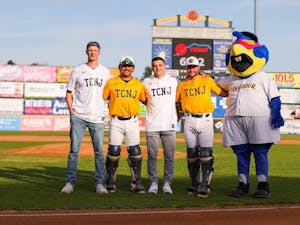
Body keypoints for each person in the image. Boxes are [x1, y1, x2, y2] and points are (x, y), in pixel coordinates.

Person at [218, 31, 284, 198]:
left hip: (259, 120)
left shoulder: (262, 77)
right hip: (235, 120)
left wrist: (276, 114)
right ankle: (243, 183)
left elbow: (274, 97)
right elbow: (216, 85)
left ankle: (263, 184)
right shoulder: (231, 79)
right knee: (241, 153)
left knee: (260, 151)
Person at [61, 41, 110, 194]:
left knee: (99, 153)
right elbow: (69, 93)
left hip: (97, 118)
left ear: (99, 52)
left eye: (95, 50)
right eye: (90, 50)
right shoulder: (78, 70)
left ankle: (100, 184)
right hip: (79, 116)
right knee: (74, 151)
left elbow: (110, 94)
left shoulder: (105, 72)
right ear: (86, 52)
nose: (93, 53)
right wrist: (71, 112)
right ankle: (69, 183)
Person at [176, 56, 228, 198]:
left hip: (205, 119)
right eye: (189, 67)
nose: (191, 69)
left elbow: (223, 92)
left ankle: (205, 185)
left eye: (194, 66)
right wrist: (177, 116)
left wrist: (213, 77)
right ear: (186, 69)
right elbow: (176, 102)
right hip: (189, 119)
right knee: (192, 154)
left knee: (205, 154)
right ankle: (194, 184)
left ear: (199, 68)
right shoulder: (182, 84)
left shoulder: (207, 80)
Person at [103, 56, 149, 194]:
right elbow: (103, 97)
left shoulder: (139, 84)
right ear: (119, 67)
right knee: (113, 152)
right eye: (124, 66)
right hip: (116, 121)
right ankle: (110, 182)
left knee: (135, 152)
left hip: (133, 121)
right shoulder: (111, 83)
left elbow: (147, 100)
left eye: (129, 66)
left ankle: (137, 183)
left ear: (133, 68)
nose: (127, 68)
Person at [143, 57, 178, 194]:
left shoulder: (173, 81)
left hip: (169, 125)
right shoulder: (146, 82)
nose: (157, 68)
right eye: (155, 65)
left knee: (169, 156)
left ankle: (167, 184)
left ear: (165, 66)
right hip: (152, 125)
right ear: (152, 67)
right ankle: (153, 183)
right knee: (152, 156)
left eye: (160, 65)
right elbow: (142, 99)